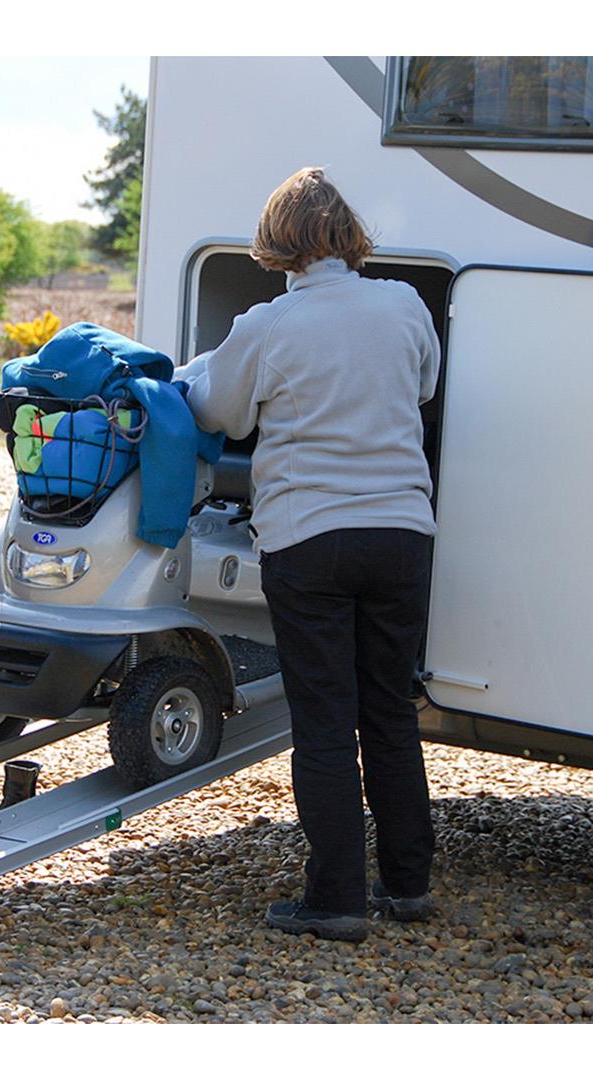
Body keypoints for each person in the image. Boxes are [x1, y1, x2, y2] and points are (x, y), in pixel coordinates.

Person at [182, 166, 440, 941]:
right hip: (401, 534)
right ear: (347, 232)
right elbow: (422, 388)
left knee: (327, 722)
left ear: (278, 241)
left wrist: (193, 380)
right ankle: (409, 884)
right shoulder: (403, 305)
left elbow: (222, 413)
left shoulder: (267, 324)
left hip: (311, 537)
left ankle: (335, 899)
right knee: (390, 710)